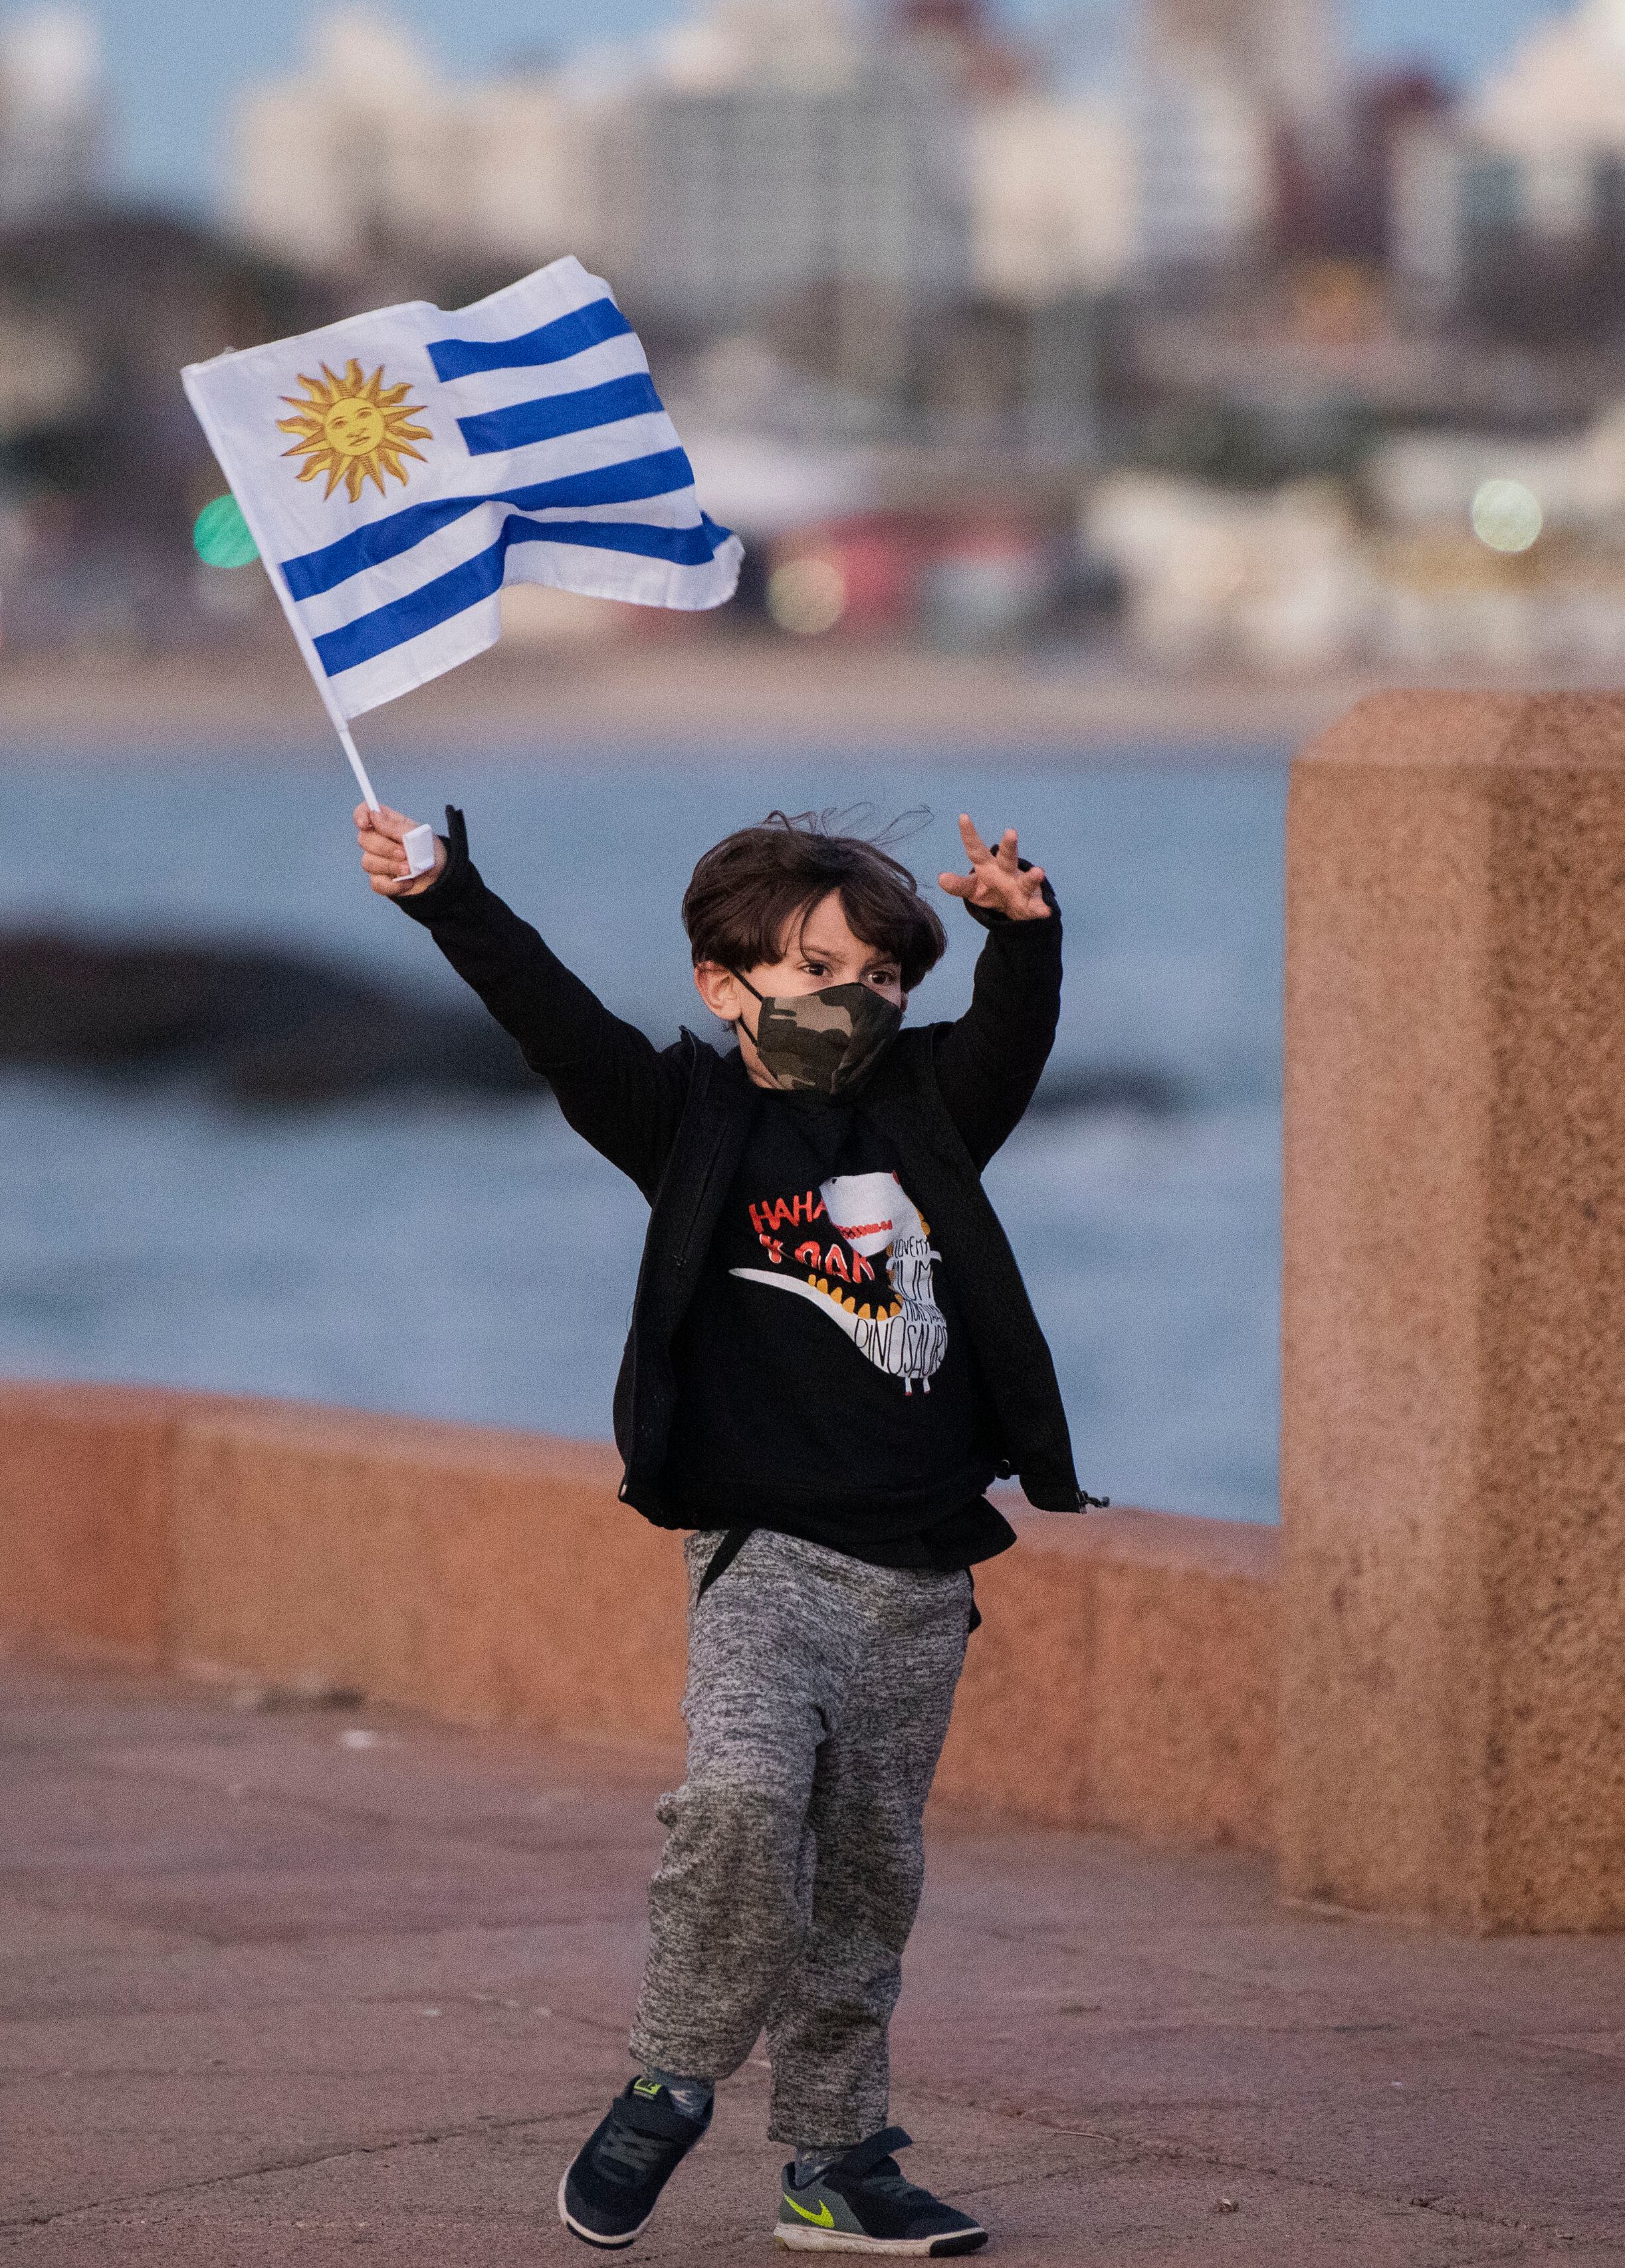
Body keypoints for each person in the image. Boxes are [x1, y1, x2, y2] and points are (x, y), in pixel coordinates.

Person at [355, 799, 1091, 2258]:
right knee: (742, 1813)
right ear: (723, 984)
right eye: (819, 969)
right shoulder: (684, 1120)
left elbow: (1011, 1035)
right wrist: (449, 896)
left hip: (920, 1581)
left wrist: (1023, 937)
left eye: (884, 979)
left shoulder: (930, 1110)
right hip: (759, 1564)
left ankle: (834, 2164)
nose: (855, 999)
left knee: (864, 1893)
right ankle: (669, 2075)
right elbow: (551, 1021)